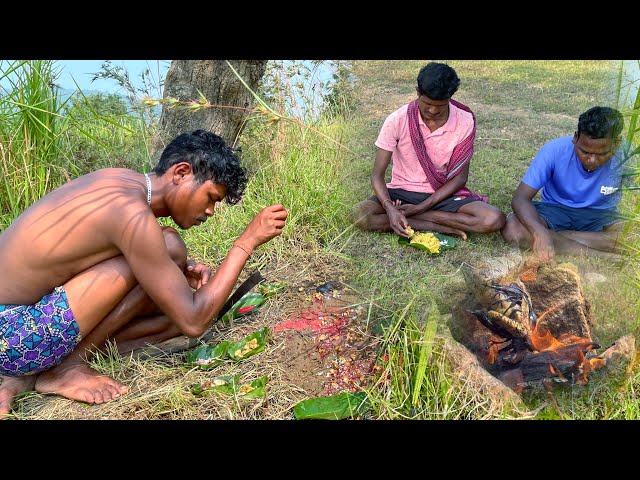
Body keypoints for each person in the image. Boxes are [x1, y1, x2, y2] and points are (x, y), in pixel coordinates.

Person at [0, 129, 288, 417]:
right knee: (171, 250)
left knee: (168, 303)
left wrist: (177, 276)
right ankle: (64, 369)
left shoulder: (119, 180)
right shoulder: (131, 213)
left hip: (15, 326)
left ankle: (49, 367)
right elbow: (194, 321)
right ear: (182, 173)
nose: (210, 211)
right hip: (14, 337)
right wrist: (246, 243)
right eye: (210, 197)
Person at [352, 62, 505, 240]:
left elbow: (460, 178)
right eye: (427, 104)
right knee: (359, 214)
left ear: (450, 97)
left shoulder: (464, 120)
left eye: (439, 106)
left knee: (494, 219)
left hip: (441, 194)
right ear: (418, 92)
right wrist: (389, 207)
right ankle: (435, 225)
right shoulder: (397, 120)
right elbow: (377, 176)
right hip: (400, 192)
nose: (432, 111)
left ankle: (412, 218)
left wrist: (420, 207)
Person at [501, 106, 627, 260]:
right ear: (575, 138)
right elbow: (520, 198)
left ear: (617, 143)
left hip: (602, 216)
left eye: (602, 154)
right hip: (555, 211)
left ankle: (560, 238)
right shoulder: (554, 150)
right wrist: (539, 232)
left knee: (633, 238)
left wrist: (549, 236)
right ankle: (598, 254)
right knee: (513, 229)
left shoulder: (628, 156)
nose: (592, 160)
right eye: (585, 152)